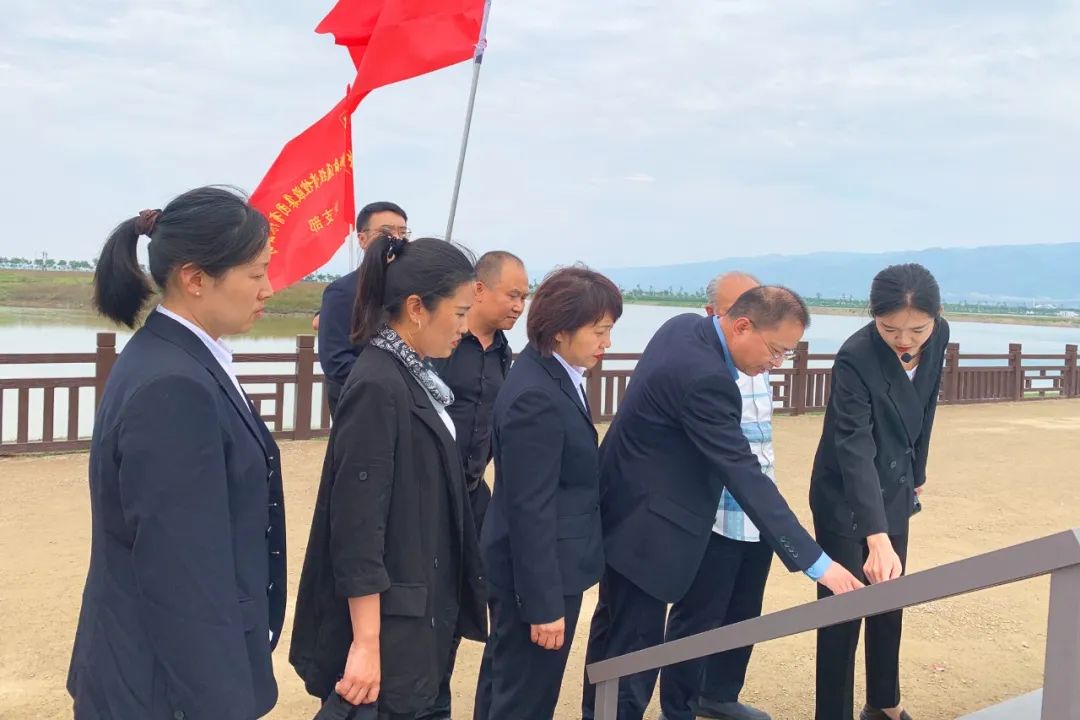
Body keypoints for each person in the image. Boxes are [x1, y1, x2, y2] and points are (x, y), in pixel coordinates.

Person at [582, 286, 864, 720]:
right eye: (776, 350)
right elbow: (743, 473)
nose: (776, 363)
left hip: (622, 504)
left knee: (614, 638)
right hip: (648, 528)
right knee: (633, 653)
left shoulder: (682, 327)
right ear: (742, 326)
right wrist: (818, 563)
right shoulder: (707, 380)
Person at [68, 186, 286, 720]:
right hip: (162, 687)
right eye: (256, 274)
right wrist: (220, 704)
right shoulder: (174, 385)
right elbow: (182, 574)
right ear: (195, 279)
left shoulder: (180, 360)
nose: (268, 289)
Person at [290, 236, 488, 719]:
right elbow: (358, 525)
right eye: (460, 313)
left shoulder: (415, 374)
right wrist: (365, 642)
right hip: (392, 625)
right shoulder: (378, 384)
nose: (464, 328)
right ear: (417, 308)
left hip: (422, 608)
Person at [474, 266, 623, 720]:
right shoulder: (536, 396)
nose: (607, 342)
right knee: (525, 697)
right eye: (599, 331)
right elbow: (529, 507)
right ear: (560, 330)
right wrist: (542, 605)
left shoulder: (552, 374)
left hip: (545, 568)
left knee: (507, 684)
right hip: (538, 577)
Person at [810, 264, 949, 720]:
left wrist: (918, 469)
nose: (904, 340)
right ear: (873, 316)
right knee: (843, 608)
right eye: (890, 329)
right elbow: (853, 446)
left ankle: (884, 702)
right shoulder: (855, 358)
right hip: (845, 491)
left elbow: (925, 408)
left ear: (936, 318)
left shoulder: (939, 336)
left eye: (917, 330)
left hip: (896, 483)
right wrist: (876, 534)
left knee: (890, 597)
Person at [418, 250, 529, 720]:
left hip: (473, 495)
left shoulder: (505, 353)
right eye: (512, 294)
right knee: (424, 605)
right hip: (427, 497)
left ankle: (442, 702)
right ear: (479, 289)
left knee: (467, 602)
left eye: (524, 297)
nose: (519, 306)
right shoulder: (441, 344)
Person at [692, 272, 777, 720]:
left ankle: (721, 694)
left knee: (746, 606)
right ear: (712, 314)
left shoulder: (761, 358)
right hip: (714, 511)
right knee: (702, 610)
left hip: (758, 507)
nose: (748, 319)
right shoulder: (702, 364)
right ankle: (683, 699)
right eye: (735, 311)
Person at [318, 201, 409, 415]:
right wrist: (390, 382)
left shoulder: (412, 290)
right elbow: (336, 362)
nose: (396, 238)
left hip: (408, 405)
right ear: (362, 239)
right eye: (386, 232)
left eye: (402, 232)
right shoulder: (342, 292)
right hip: (361, 406)